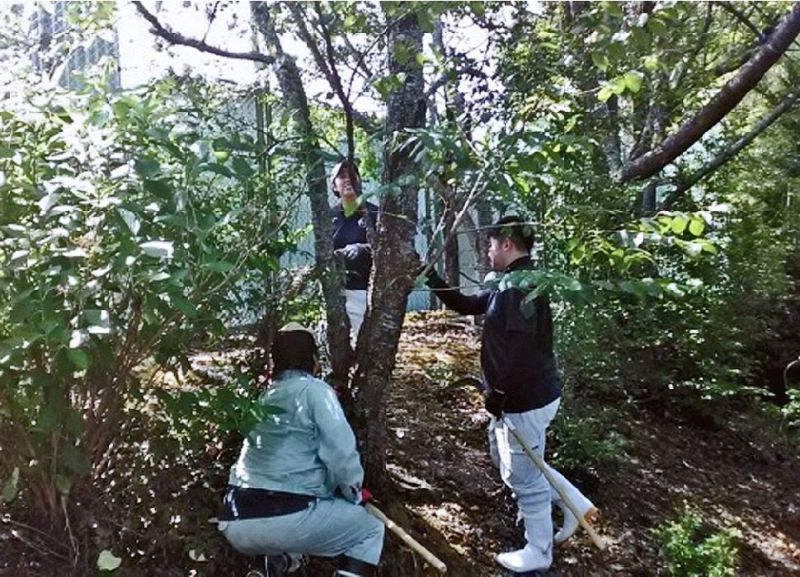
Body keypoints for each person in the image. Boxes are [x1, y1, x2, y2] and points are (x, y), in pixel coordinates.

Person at [424, 216, 597, 574]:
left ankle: (539, 550)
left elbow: (522, 349)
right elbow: (468, 304)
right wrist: (432, 278)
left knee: (524, 478)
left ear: (505, 243)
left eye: (490, 245)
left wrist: (500, 392)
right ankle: (575, 504)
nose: (487, 252)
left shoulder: (518, 287)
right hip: (522, 398)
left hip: (524, 400)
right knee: (516, 463)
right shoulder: (512, 281)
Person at [217, 322, 384, 577]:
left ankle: (271, 565)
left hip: (235, 519)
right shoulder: (316, 391)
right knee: (370, 530)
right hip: (288, 517)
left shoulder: (265, 397)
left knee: (300, 517)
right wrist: (354, 492)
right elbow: (341, 452)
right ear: (314, 360)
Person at [329, 159, 378, 346]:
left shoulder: (374, 213)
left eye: (352, 175)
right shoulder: (329, 217)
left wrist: (361, 248)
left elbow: (386, 250)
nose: (347, 180)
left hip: (364, 291)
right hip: (336, 293)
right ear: (334, 185)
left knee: (364, 345)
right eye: (341, 176)